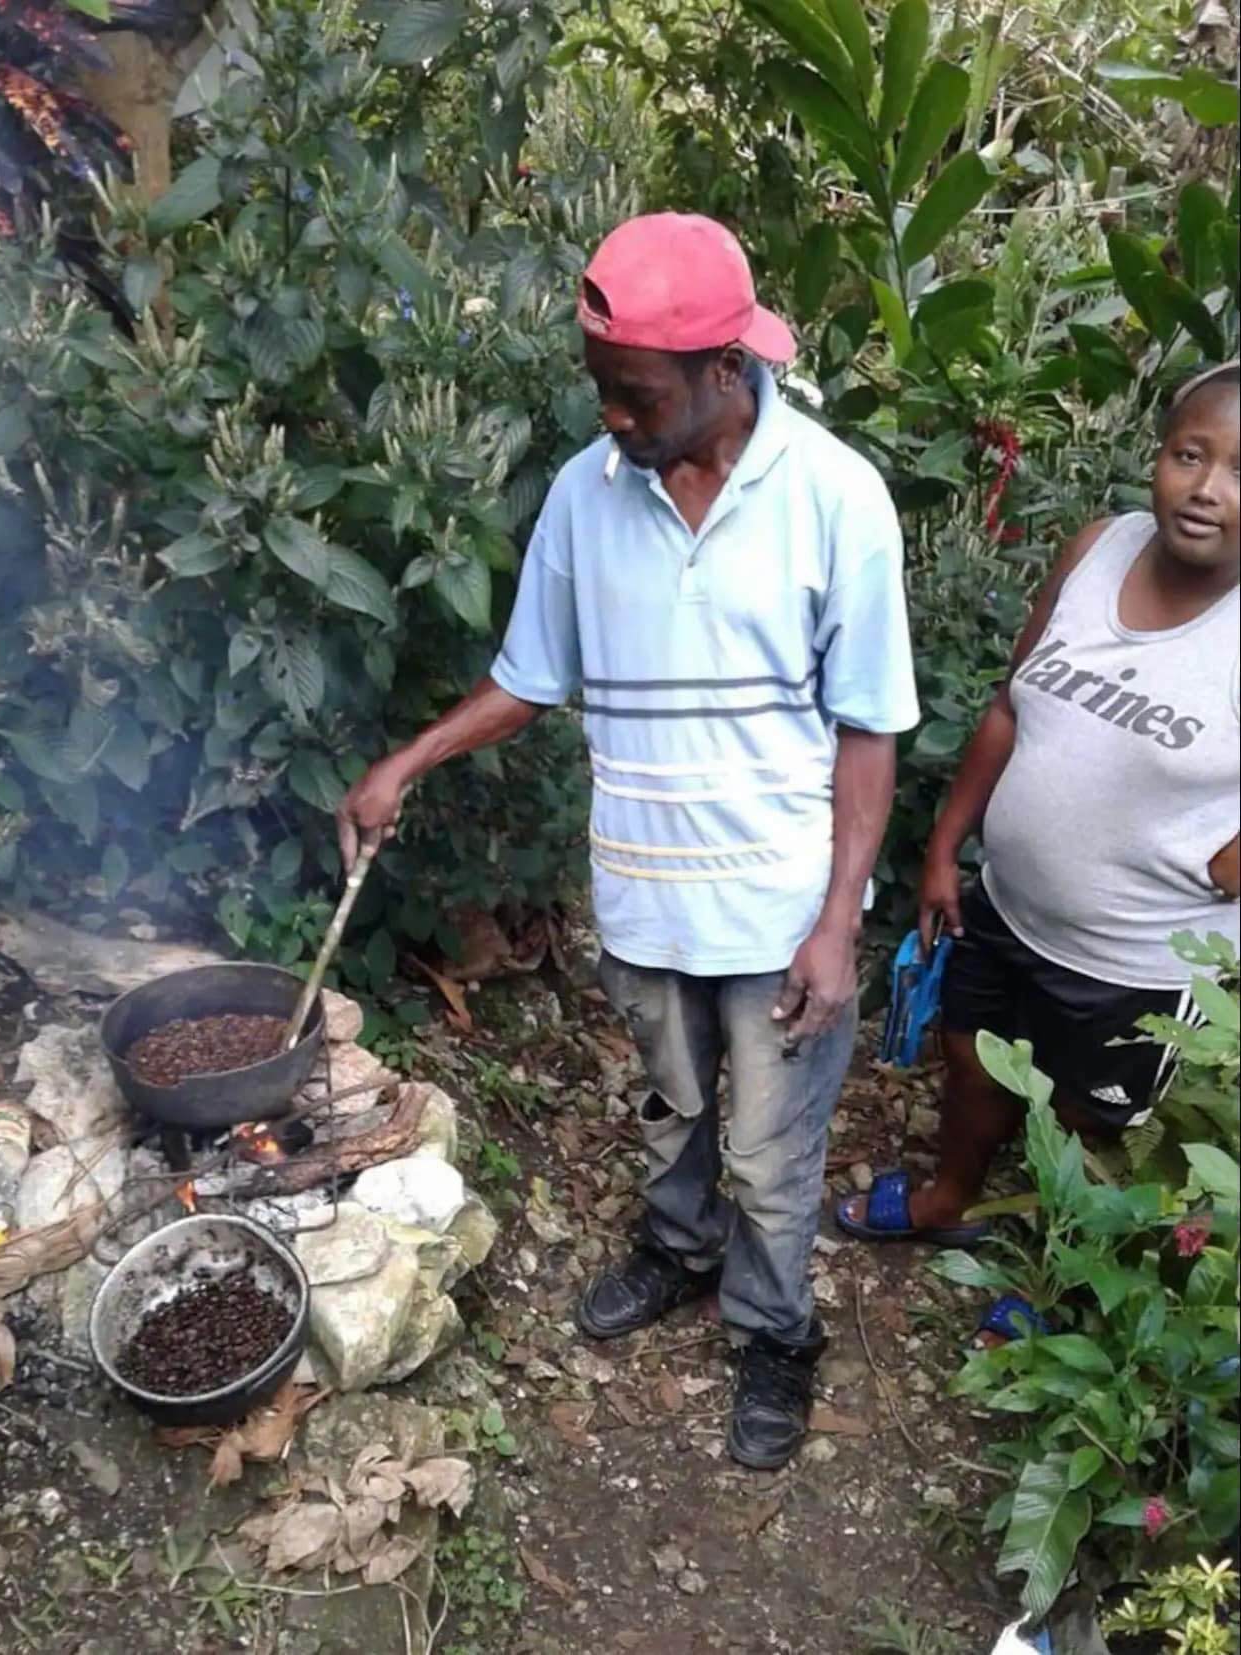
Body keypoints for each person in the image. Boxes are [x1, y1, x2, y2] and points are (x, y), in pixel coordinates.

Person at [338, 212, 919, 1469]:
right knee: (672, 1107)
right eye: (599, 390)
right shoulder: (584, 494)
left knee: (772, 1155)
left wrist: (836, 924)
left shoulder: (836, 500)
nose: (610, 416)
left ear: (725, 369)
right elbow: (532, 676)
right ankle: (678, 1246)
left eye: (634, 393)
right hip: (644, 896)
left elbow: (871, 730)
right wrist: (409, 760)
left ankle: (775, 1331)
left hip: (777, 913)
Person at [840, 361, 1241, 1260]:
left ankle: (1044, 1269)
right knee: (971, 1056)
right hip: (1008, 906)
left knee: (1085, 1122)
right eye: (1191, 454)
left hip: (1133, 959)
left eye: (1240, 472)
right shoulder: (1099, 549)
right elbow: (1011, 703)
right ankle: (952, 1197)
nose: (1207, 489)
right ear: (1160, 456)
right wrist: (945, 847)